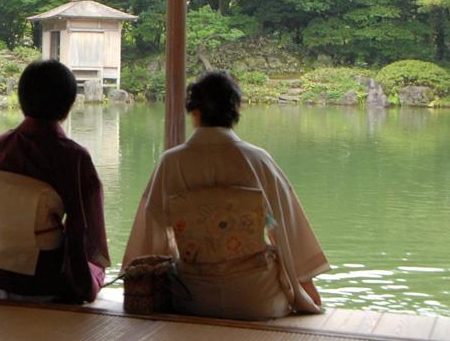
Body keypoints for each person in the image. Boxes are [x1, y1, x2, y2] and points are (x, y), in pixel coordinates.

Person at [123, 71, 329, 320]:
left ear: (195, 112)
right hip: (257, 299)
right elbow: (285, 226)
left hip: (190, 296)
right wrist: (306, 289)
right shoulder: (258, 160)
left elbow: (152, 231)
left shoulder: (171, 163)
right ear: (234, 113)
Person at [0, 60, 110, 304]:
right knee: (97, 269)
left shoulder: (2, 144)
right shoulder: (73, 156)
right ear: (67, 106)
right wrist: (84, 281)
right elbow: (83, 228)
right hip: (42, 282)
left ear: (22, 100)